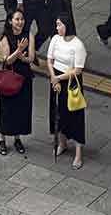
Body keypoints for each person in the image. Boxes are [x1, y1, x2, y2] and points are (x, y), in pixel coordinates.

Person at [46, 14, 87, 169]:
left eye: (59, 25)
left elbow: (78, 70)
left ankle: (78, 154)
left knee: (75, 115)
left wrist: (58, 78)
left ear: (67, 25)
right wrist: (53, 77)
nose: (57, 28)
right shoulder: (55, 39)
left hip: (71, 82)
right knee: (58, 112)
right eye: (56, 25)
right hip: (56, 79)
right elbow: (49, 60)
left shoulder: (78, 45)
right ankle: (62, 143)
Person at [0, 7, 36, 156]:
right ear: (10, 21)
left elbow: (31, 58)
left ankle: (17, 138)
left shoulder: (28, 35)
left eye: (22, 19)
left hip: (24, 75)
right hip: (9, 76)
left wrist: (22, 57)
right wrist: (18, 52)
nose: (20, 22)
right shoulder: (5, 37)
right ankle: (2, 138)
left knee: (21, 108)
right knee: (7, 108)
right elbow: (7, 60)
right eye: (17, 19)